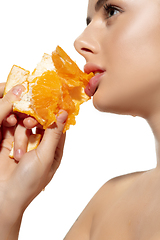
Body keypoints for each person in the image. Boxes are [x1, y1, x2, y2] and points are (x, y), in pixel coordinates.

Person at [1, 0, 160, 239]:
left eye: (111, 11)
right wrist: (6, 203)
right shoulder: (107, 203)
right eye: (88, 22)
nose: (79, 42)